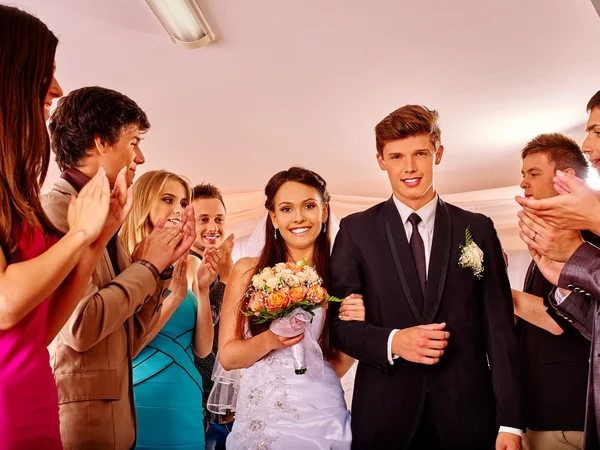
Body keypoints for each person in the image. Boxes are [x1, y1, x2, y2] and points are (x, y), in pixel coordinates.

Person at [329, 105, 524, 449]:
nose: (409, 167)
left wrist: (511, 422)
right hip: (385, 417)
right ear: (380, 160)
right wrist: (393, 342)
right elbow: (340, 327)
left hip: (469, 416)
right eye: (396, 156)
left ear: (438, 153)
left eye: (420, 153)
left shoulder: (477, 228)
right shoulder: (355, 230)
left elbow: (500, 330)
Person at [42, 86, 195, 449]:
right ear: (100, 143)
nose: (139, 157)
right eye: (133, 141)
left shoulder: (110, 214)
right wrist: (146, 264)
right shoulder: (57, 212)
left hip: (120, 422)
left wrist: (158, 272)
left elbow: (128, 341)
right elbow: (81, 327)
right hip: (81, 424)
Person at [0, 7, 115, 448]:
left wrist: (94, 242)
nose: (58, 89)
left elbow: (39, 327)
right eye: (44, 73)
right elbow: (7, 302)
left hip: (35, 401)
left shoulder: (15, 190)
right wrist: (80, 234)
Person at [219, 167, 365, 449]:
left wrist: (355, 325)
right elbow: (228, 357)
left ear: (324, 212)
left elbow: (337, 365)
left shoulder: (344, 276)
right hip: (262, 416)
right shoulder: (247, 270)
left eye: (309, 206)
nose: (298, 217)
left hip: (322, 415)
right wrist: (271, 339)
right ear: (273, 217)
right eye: (286, 209)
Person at [516, 90, 600, 450]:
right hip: (545, 408)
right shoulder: (551, 240)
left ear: (564, 177)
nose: (523, 182)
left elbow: (556, 321)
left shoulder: (587, 234)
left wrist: (495, 294)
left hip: (567, 410)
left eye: (533, 173)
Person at [120, 170, 216, 450]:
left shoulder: (192, 265)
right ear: (144, 202)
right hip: (140, 394)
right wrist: (173, 299)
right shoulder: (127, 263)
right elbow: (127, 347)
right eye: (168, 199)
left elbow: (203, 349)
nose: (179, 209)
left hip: (186, 395)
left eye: (184, 203)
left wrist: (203, 290)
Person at [189, 183, 237, 449]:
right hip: (197, 400)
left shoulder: (224, 265)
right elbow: (204, 325)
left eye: (218, 219)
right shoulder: (184, 264)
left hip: (225, 403)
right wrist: (227, 280)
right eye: (203, 219)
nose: (213, 227)